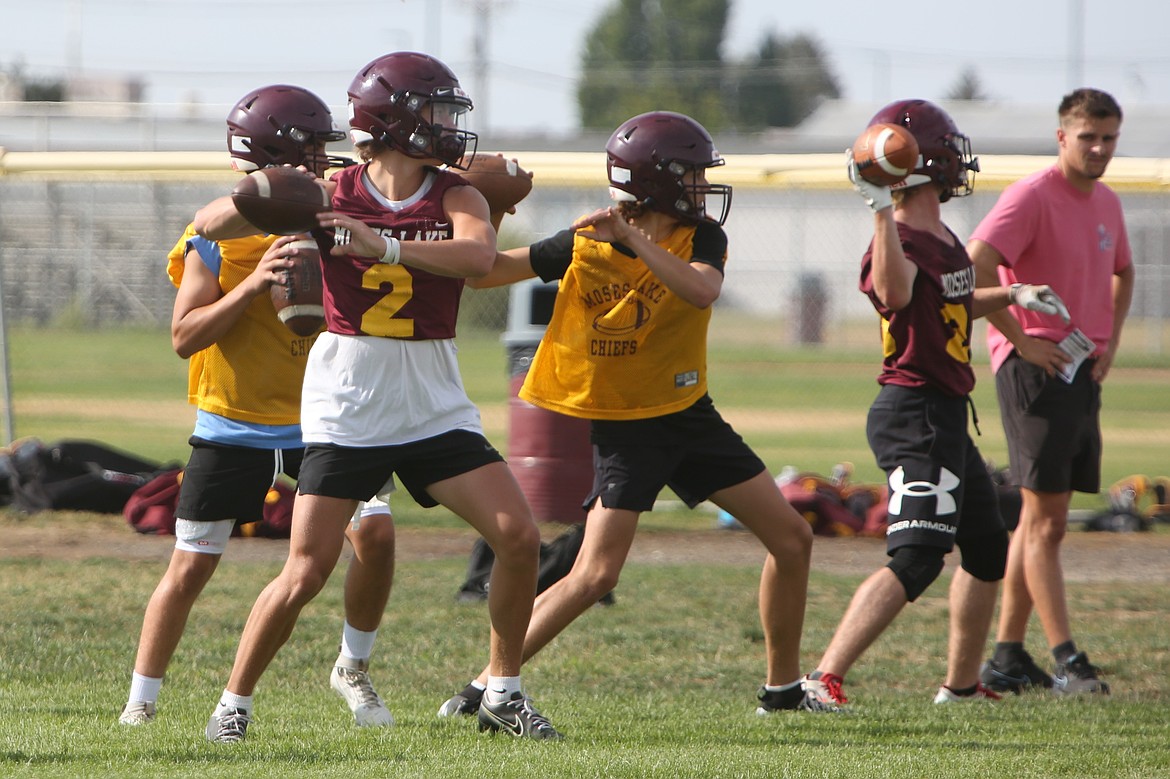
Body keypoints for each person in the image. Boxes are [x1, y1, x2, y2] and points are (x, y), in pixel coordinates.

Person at [203, 52, 559, 743]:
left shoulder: (458, 194)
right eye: (436, 112)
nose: (450, 126)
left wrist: (382, 246)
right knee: (307, 568)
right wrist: (273, 193)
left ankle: (503, 691)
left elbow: (478, 258)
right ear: (394, 122)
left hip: (431, 398)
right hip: (350, 400)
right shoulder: (330, 188)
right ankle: (233, 703)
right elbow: (217, 220)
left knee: (518, 537)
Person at [436, 110, 818, 721]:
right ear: (657, 181)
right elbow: (491, 274)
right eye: (690, 175)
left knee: (792, 538)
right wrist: (487, 217)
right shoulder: (584, 241)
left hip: (688, 413)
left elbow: (700, 289)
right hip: (630, 425)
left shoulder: (701, 240)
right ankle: (484, 687)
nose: (700, 188)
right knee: (595, 575)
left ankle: (782, 694)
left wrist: (634, 239)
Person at [119, 85, 397, 730]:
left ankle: (352, 668)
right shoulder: (213, 234)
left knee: (377, 536)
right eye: (312, 150)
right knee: (191, 566)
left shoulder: (337, 217)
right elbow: (185, 337)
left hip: (328, 417)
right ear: (279, 154)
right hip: (234, 420)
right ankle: (142, 702)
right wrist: (253, 283)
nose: (324, 162)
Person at [801, 99, 1072, 709]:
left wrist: (1012, 292)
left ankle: (961, 686)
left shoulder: (941, 235)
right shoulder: (893, 237)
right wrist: (878, 210)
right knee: (919, 557)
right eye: (947, 149)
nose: (958, 161)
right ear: (920, 160)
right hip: (913, 410)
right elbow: (896, 295)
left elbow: (949, 301)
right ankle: (825, 678)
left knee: (985, 547)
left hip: (945, 412)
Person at [969, 88, 1134, 696]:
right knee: (1045, 523)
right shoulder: (1032, 195)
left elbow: (1124, 271)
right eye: (1087, 137)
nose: (1098, 149)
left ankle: (1007, 657)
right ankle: (1067, 657)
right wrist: (1020, 339)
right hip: (1036, 369)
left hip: (1080, 369)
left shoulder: (1109, 202)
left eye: (1109, 138)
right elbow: (977, 262)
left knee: (1044, 523)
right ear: (1062, 137)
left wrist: (1110, 340)